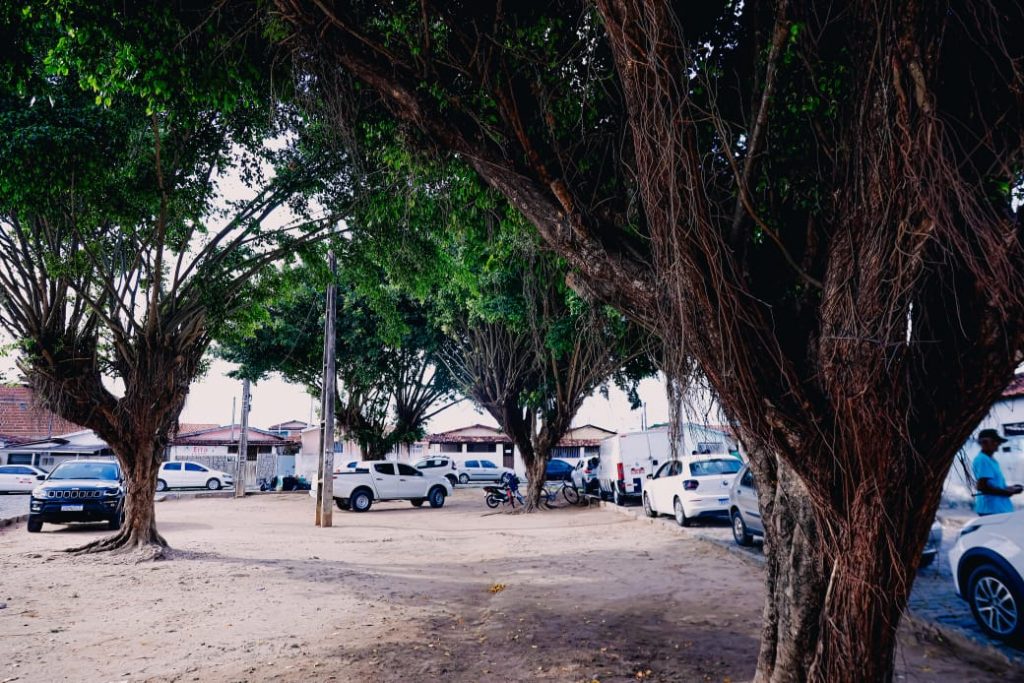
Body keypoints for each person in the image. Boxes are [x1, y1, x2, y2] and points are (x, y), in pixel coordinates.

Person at [972, 428, 1023, 516]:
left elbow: (993, 485)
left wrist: (1010, 488)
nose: (998, 444)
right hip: (991, 509)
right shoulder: (982, 460)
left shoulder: (990, 460)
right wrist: (1006, 492)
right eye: (995, 441)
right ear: (984, 442)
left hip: (1000, 508)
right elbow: (982, 486)